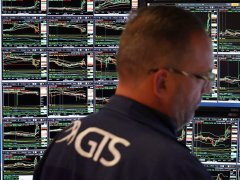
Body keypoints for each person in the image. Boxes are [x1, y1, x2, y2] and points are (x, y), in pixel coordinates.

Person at [33, 6, 214, 180]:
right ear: (162, 82)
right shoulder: (176, 169)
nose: (207, 88)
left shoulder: (65, 141)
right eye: (201, 77)